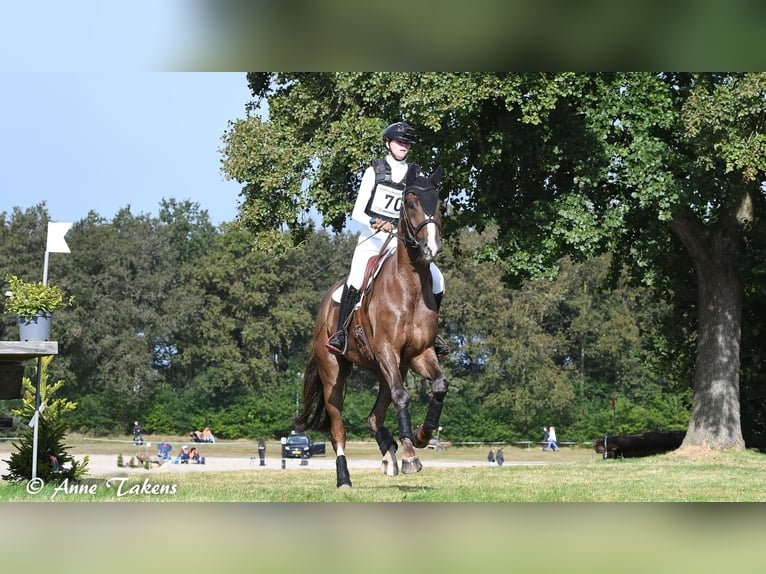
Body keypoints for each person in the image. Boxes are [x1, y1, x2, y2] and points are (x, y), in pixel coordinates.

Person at [325, 121, 448, 357]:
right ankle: (340, 333)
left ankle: (431, 334)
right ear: (387, 143)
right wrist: (376, 222)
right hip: (373, 238)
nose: (403, 146)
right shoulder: (374, 171)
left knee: (438, 280)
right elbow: (357, 211)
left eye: (406, 143)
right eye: (399, 142)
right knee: (355, 277)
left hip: (401, 241)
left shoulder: (417, 174)